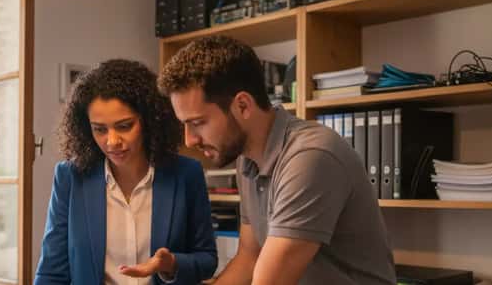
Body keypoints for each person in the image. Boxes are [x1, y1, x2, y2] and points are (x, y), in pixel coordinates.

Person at [158, 36, 396, 285]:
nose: (189, 140)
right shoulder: (248, 161)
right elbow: (250, 257)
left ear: (242, 106)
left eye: (197, 123)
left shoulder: (310, 156)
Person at [35, 59, 217, 285]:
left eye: (124, 126)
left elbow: (207, 260)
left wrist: (171, 264)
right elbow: (51, 272)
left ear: (149, 120)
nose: (112, 142)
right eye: (99, 129)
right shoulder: (70, 177)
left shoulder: (186, 174)